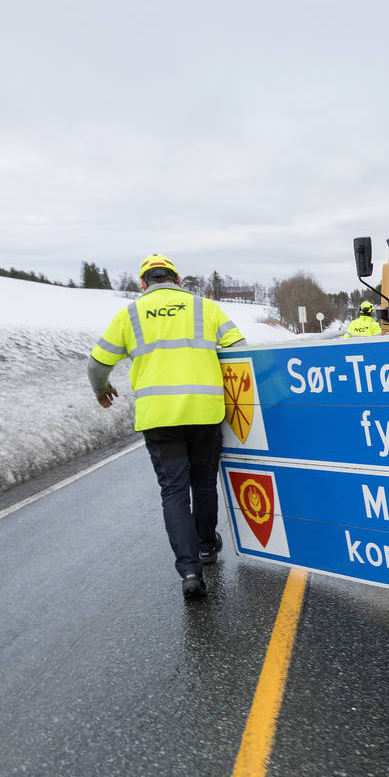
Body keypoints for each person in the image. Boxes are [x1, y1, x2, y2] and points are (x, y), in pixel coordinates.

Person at [88, 253, 245, 600]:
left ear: (143, 284)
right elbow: (241, 350)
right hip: (204, 411)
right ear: (177, 279)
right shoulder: (205, 308)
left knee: (174, 491)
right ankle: (207, 547)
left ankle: (189, 571)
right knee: (204, 485)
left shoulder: (129, 314)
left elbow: (97, 365)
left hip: (159, 418)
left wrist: (102, 390)